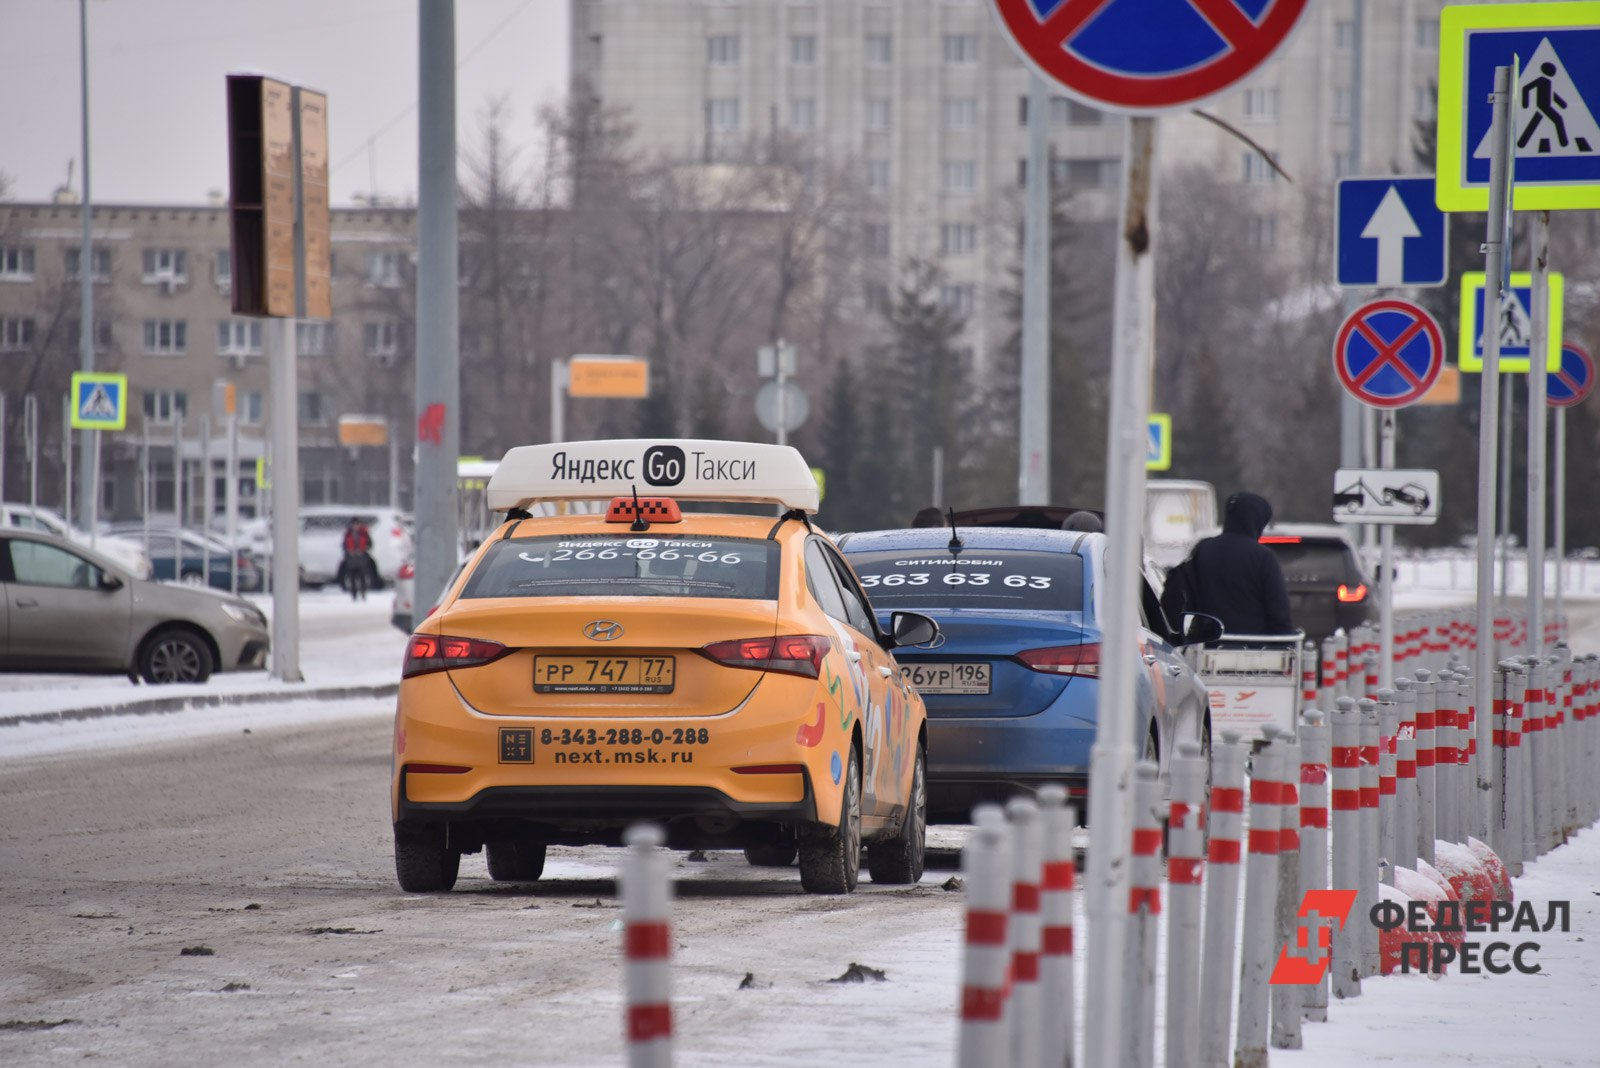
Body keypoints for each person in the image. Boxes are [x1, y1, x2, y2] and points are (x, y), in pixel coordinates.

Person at [1162, 491, 1293, 636]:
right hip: (1256, 648)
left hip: (1208, 644)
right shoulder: (1264, 557)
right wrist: (1284, 642)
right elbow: (1279, 613)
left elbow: (1187, 596)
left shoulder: (1204, 549)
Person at [341, 516, 374, 602]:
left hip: (361, 557)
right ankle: (354, 595)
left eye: (357, 524)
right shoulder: (348, 533)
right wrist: (349, 551)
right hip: (351, 558)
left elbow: (370, 544)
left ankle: (363, 593)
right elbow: (344, 545)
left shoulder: (364, 533)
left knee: (362, 576)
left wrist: (363, 550)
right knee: (352, 577)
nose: (355, 526)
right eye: (354, 524)